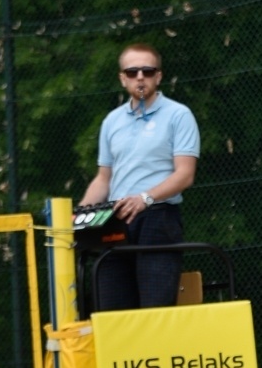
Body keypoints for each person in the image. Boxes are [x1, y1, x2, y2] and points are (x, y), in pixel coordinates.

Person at [79, 43, 200, 311]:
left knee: (154, 308)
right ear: (123, 78)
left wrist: (145, 198)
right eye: (132, 72)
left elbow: (185, 174)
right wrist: (79, 217)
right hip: (115, 220)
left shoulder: (178, 115)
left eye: (147, 70)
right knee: (111, 309)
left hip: (158, 217)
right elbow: (103, 179)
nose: (140, 77)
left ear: (159, 76)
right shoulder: (111, 121)